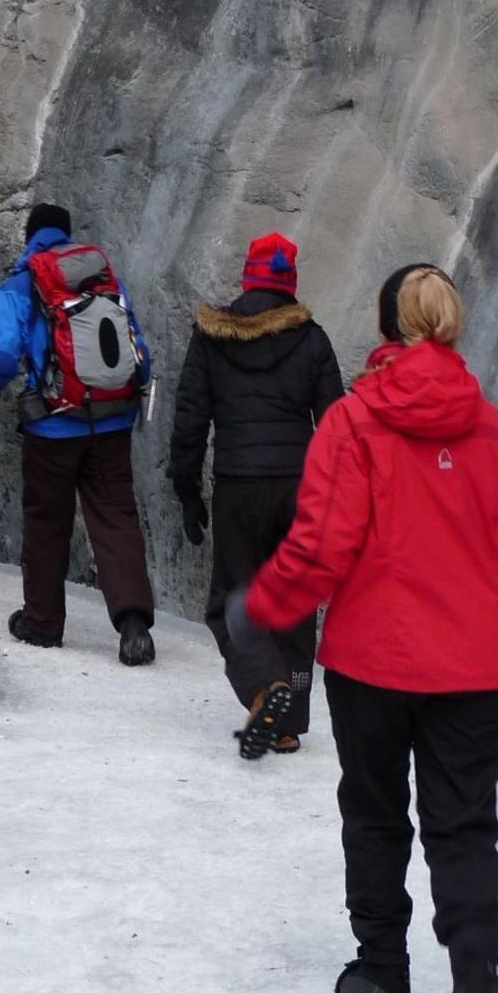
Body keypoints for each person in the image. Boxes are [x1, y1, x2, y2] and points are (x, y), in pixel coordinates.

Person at [228, 264, 498, 993]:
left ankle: (383, 977)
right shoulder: (492, 429)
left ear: (386, 326)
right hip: (474, 670)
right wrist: (474, 618)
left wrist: (261, 605)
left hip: (374, 662)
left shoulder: (354, 422)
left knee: (374, 814)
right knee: (464, 826)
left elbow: (323, 547)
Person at [167, 232, 343, 758]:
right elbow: (336, 425)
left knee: (231, 603)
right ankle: (286, 722)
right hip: (299, 487)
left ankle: (265, 686)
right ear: (290, 282)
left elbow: (191, 418)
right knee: (292, 599)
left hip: (238, 487)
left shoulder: (213, 337)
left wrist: (186, 488)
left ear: (247, 279)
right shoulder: (311, 339)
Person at [0, 202, 158, 666]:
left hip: (53, 425)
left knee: (47, 521)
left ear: (30, 236)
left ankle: (42, 624)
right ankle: (134, 624)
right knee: (115, 516)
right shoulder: (105, 281)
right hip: (112, 418)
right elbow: (140, 353)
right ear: (68, 235)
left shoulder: (21, 284)